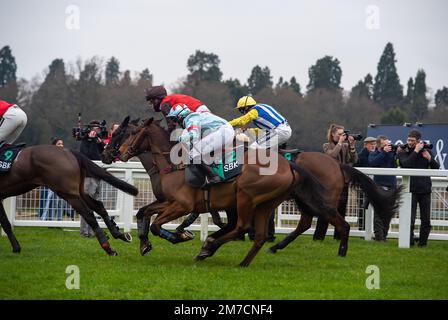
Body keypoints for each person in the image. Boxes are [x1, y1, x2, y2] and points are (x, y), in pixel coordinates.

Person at [166, 104, 234, 186]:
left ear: (180, 116)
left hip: (223, 132)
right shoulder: (195, 116)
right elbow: (196, 138)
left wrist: (180, 138)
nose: (174, 122)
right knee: (198, 150)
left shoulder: (191, 119)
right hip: (225, 131)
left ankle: (214, 177)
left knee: (194, 154)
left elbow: (193, 134)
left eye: (174, 119)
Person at [313, 124, 358, 240]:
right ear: (332, 134)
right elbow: (331, 156)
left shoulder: (345, 146)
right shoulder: (327, 145)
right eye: (339, 134)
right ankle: (319, 237)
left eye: (343, 134)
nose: (341, 136)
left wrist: (352, 147)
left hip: (344, 181)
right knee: (326, 209)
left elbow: (354, 160)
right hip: (330, 182)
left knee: (341, 210)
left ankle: (338, 236)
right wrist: (340, 143)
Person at [398, 129, 440, 247]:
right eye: (408, 140)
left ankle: (422, 243)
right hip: (410, 189)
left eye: (412, 140)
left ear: (418, 141)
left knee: (426, 220)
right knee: (409, 219)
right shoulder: (403, 151)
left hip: (425, 189)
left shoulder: (427, 151)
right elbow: (406, 165)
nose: (409, 142)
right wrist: (415, 151)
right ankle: (409, 241)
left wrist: (430, 159)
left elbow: (437, 168)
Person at [78, 120, 106, 237]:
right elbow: (88, 156)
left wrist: (100, 143)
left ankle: (91, 230)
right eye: (96, 129)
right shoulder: (85, 141)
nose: (98, 131)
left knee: (94, 205)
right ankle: (85, 232)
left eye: (99, 129)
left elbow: (103, 154)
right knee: (87, 205)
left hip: (97, 176)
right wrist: (90, 141)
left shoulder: (97, 141)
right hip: (88, 176)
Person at [368, 135, 398, 242]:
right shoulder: (374, 153)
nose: (388, 146)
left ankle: (384, 236)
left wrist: (395, 153)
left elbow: (395, 166)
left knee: (388, 214)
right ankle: (379, 238)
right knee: (378, 214)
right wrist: (384, 152)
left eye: (388, 144)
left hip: (391, 186)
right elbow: (373, 164)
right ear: (380, 145)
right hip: (379, 186)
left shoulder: (391, 154)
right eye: (385, 145)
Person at [145, 86, 210, 131]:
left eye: (151, 101)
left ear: (157, 100)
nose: (151, 105)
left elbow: (171, 123)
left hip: (196, 112)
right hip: (201, 109)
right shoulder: (168, 100)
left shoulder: (164, 105)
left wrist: (169, 136)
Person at [40, 137, 72, 221]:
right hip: (52, 183)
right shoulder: (50, 156)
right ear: (54, 146)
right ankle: (50, 221)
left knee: (61, 203)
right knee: (53, 203)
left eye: (62, 144)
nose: (61, 145)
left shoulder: (65, 156)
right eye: (59, 144)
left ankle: (60, 221)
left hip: (63, 183)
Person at [354, 136, 377, 230]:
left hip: (372, 184)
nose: (373, 146)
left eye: (374, 144)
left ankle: (368, 228)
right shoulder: (361, 155)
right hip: (362, 185)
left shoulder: (375, 154)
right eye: (371, 144)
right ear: (365, 145)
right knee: (362, 207)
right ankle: (362, 228)